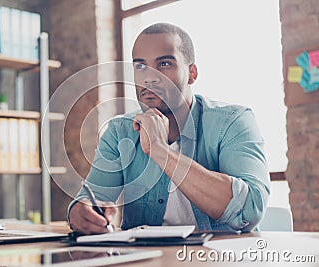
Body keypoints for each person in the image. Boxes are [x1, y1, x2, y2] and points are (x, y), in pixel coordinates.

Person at [67, 22, 270, 235]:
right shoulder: (119, 132)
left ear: (192, 73)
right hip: (145, 258)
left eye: (164, 64)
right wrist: (79, 215)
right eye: (140, 66)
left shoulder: (233, 121)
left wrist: (160, 151)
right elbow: (91, 199)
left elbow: (250, 210)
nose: (150, 77)